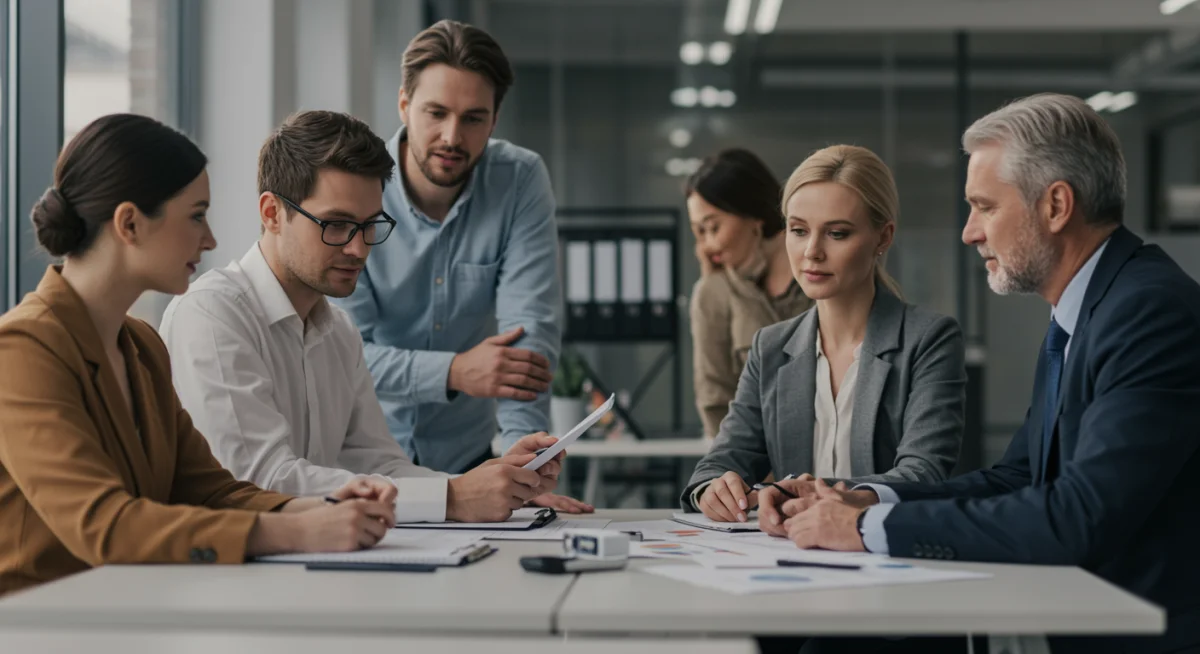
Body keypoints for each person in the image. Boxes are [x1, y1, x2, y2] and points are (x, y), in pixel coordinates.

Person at [776, 94, 1200, 654]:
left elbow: (1079, 515)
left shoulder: (1145, 312)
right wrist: (869, 502)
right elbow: (1020, 477)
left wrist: (861, 533)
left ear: (1055, 206)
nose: (970, 232)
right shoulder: (1090, 308)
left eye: (985, 206)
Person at [0, 114, 400, 596]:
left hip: (122, 614)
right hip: (34, 627)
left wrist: (324, 507)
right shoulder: (21, 349)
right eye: (196, 215)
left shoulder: (142, 347)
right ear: (129, 223)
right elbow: (105, 526)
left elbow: (213, 491)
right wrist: (297, 530)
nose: (209, 239)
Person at [161, 110, 571, 523]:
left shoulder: (338, 331)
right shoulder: (212, 316)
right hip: (227, 577)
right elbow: (257, 481)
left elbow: (380, 466)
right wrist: (451, 496)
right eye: (336, 225)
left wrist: (486, 481)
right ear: (271, 213)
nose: (359, 249)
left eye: (370, 225)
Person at [331, 19, 572, 492]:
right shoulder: (356, 187)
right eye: (435, 112)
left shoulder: (519, 180)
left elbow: (527, 342)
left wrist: (527, 468)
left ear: (495, 120)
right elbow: (343, 354)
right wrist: (457, 371)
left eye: (473, 118)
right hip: (360, 462)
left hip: (470, 461)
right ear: (404, 103)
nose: (451, 137)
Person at [682, 145, 966, 527]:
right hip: (789, 558)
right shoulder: (770, 347)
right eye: (798, 231)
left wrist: (810, 492)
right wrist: (714, 488)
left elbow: (923, 473)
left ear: (883, 238)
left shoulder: (928, 339)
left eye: (837, 233)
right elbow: (720, 461)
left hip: (888, 556)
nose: (811, 252)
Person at [687, 148, 811, 440]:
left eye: (713, 227)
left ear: (753, 213)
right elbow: (714, 402)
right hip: (755, 474)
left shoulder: (818, 271)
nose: (706, 245)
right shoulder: (714, 292)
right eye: (698, 232)